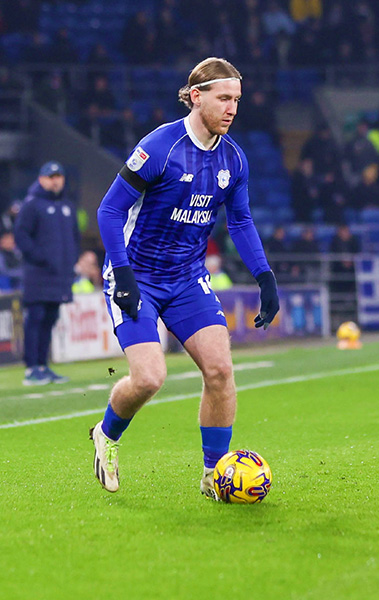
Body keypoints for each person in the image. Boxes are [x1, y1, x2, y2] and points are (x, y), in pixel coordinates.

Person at [91, 57, 280, 500]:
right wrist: (120, 272)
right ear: (196, 97)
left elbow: (240, 222)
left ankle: (215, 475)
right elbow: (110, 210)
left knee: (219, 370)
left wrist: (264, 276)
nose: (232, 108)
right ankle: (106, 434)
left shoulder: (234, 157)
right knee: (149, 378)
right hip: (136, 274)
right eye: (223, 98)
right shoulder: (161, 147)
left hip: (187, 277)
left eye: (237, 99)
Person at [14, 161, 80, 385]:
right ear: (41, 179)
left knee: (50, 318)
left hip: (59, 275)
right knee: (36, 318)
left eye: (59, 176)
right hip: (38, 274)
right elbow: (21, 236)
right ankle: (31, 368)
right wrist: (41, 258)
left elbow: (74, 238)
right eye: (51, 177)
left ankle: (43, 365)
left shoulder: (68, 207)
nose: (56, 180)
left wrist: (70, 262)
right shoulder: (31, 205)